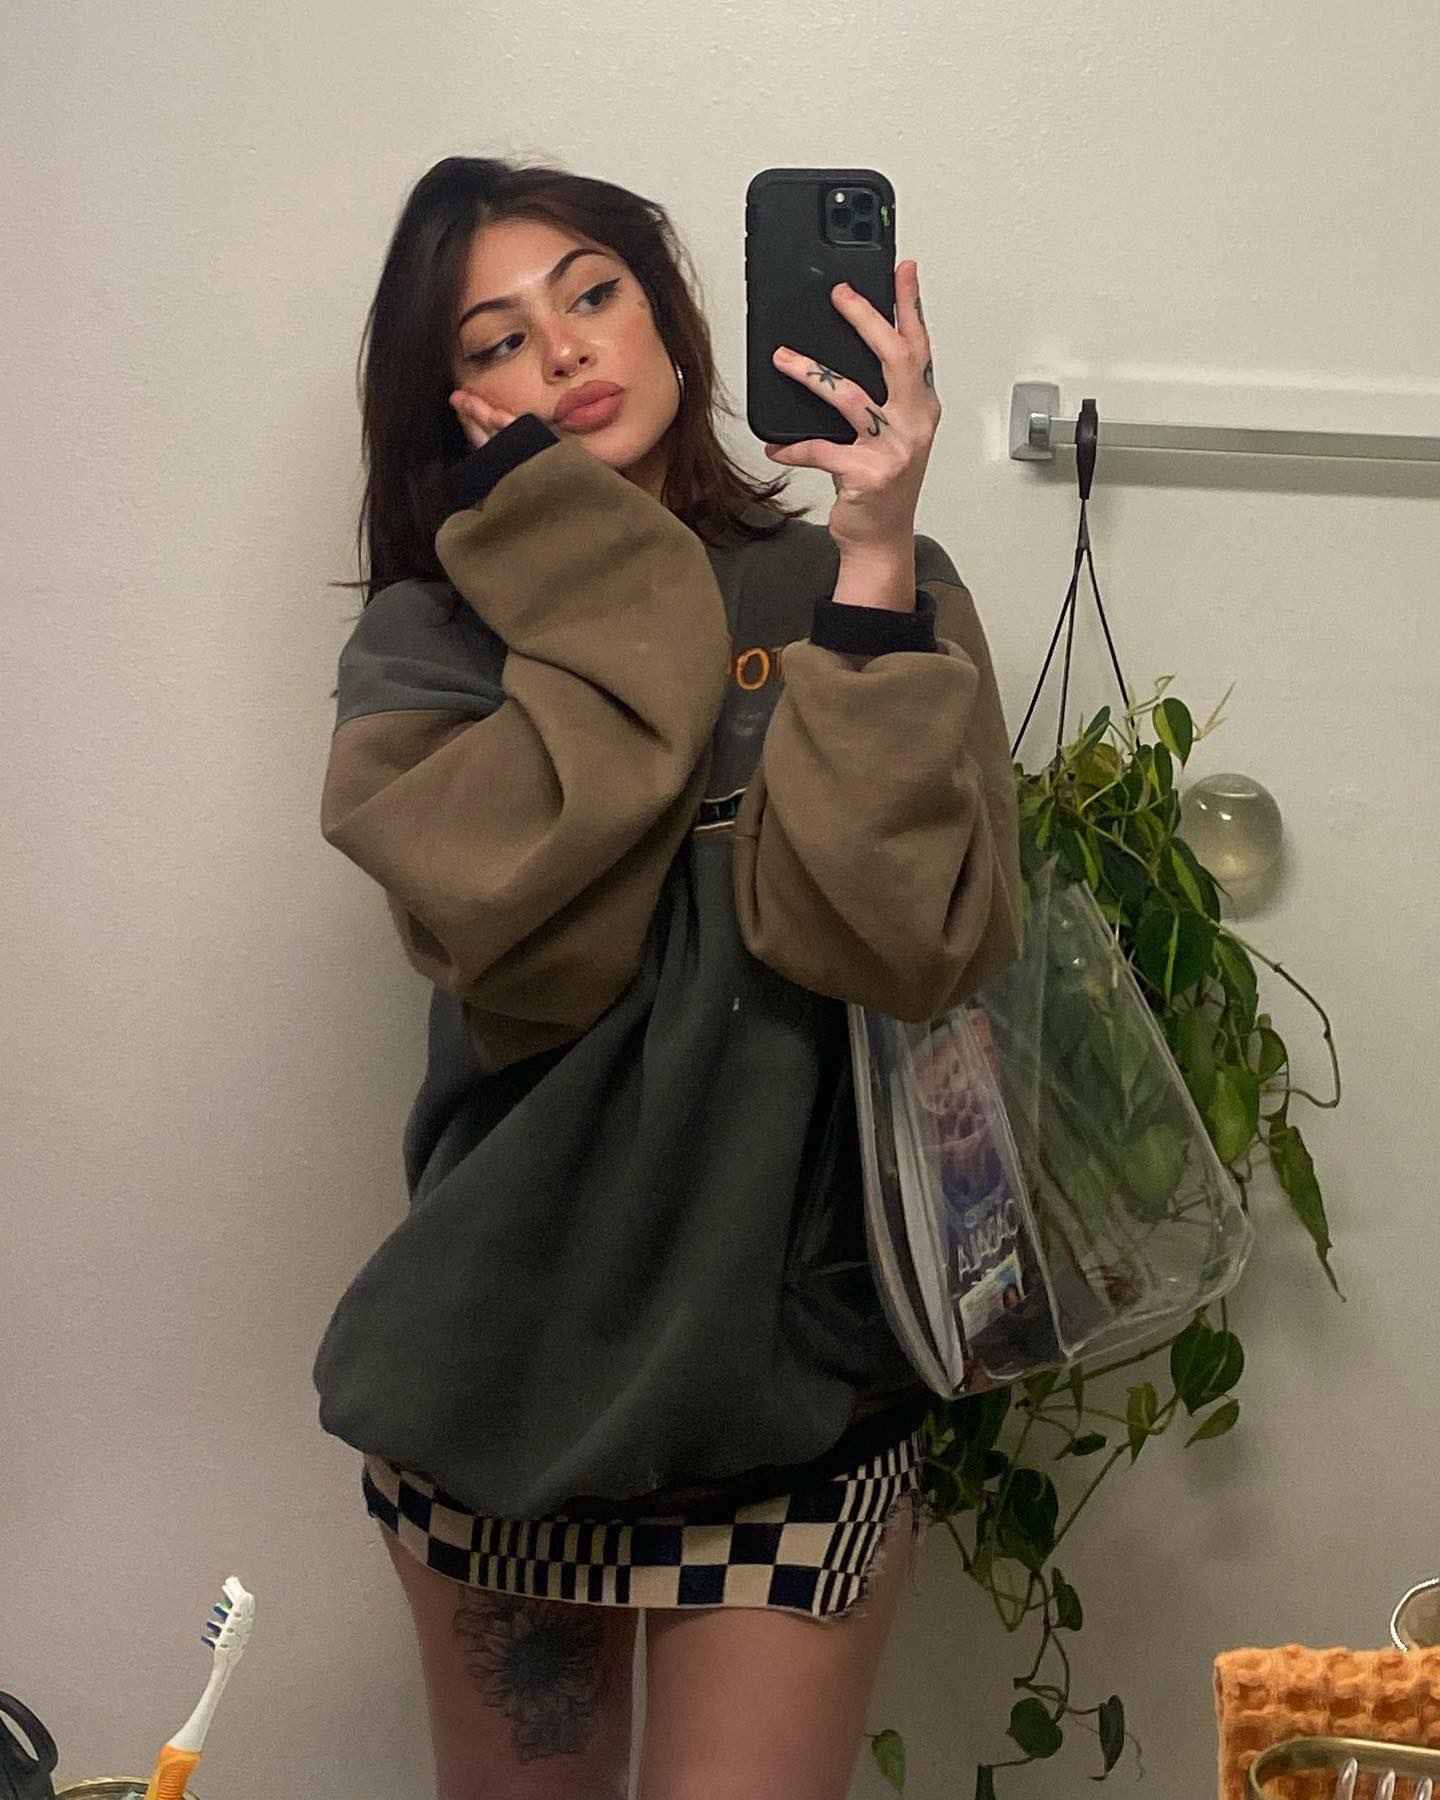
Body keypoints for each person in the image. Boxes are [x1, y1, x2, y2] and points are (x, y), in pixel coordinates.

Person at [314, 155, 1022, 1800]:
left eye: (593, 295)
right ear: (448, 401)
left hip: (799, 1385)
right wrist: (582, 567)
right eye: (495, 340)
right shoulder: (429, 642)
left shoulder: (874, 586)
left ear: (673, 319)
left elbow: (901, 944)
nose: (562, 351)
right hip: (506, 1380)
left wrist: (871, 560)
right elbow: (534, 956)